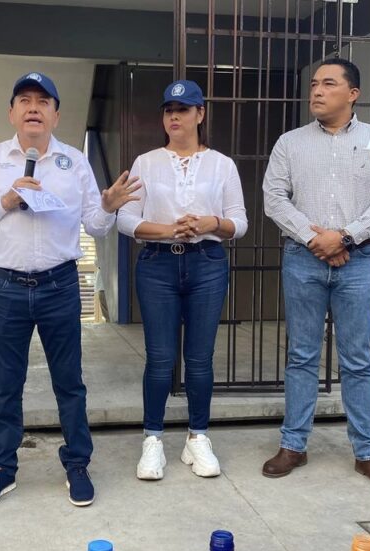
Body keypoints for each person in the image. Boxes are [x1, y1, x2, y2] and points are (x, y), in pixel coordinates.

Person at [0, 72, 139, 510]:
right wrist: (5, 200)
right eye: (24, 100)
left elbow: (95, 225)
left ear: (56, 115)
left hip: (59, 285)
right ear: (12, 113)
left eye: (43, 101)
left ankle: (77, 463)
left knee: (69, 383)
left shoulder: (73, 162)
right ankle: (2, 469)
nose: (34, 108)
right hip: (6, 287)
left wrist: (108, 207)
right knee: (6, 385)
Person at [262, 57, 370, 493]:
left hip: (358, 260)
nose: (317, 91)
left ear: (353, 93)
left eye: (328, 84)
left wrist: (343, 237)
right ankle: (293, 445)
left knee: (357, 359)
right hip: (303, 259)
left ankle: (369, 453)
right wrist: (316, 239)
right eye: (314, 84)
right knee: (301, 355)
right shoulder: (290, 143)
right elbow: (274, 197)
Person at [117, 80, 248, 481]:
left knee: (200, 357)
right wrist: (168, 230)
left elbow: (239, 222)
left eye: (183, 109)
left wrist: (212, 223)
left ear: (200, 114)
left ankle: (197, 436)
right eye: (168, 110)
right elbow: (126, 219)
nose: (174, 116)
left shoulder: (222, 165)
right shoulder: (146, 162)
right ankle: (153, 439)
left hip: (207, 262)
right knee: (159, 357)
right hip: (157, 263)